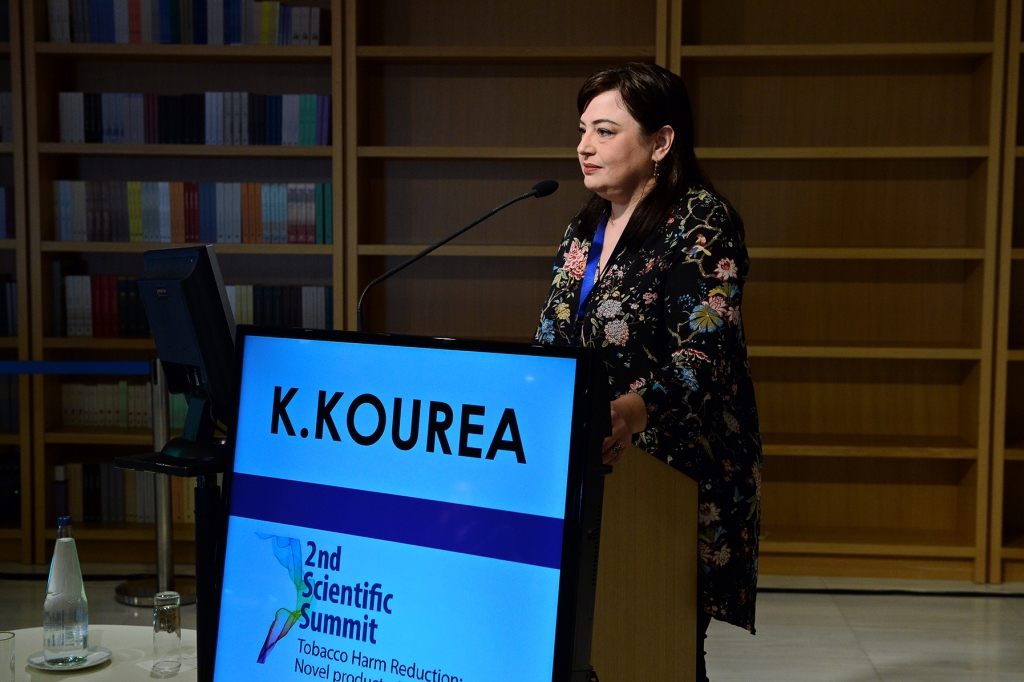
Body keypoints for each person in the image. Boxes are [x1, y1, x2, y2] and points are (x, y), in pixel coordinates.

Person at [534, 63, 761, 681]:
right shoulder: (584, 227)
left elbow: (703, 355)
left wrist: (627, 412)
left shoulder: (702, 223)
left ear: (661, 142)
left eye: (605, 131)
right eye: (582, 130)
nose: (584, 146)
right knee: (597, 645)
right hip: (591, 466)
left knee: (664, 651)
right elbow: (552, 338)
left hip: (676, 469)